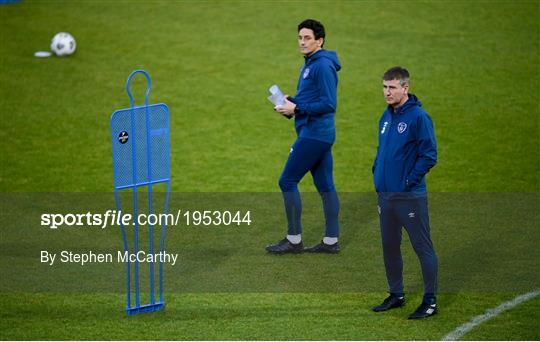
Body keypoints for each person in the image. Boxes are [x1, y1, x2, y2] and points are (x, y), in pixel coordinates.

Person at [265, 19, 341, 254]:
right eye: (300, 37)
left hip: (315, 134)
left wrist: (296, 108)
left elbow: (329, 103)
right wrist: (292, 102)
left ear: (320, 40)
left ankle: (294, 240)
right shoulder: (310, 63)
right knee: (325, 185)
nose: (302, 42)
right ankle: (330, 242)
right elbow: (313, 98)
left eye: (307, 38)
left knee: (287, 181)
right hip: (317, 132)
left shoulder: (321, 66)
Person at [371, 67, 439, 319]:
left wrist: (407, 182)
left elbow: (429, 155)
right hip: (386, 197)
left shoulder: (419, 117)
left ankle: (430, 301)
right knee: (389, 246)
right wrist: (377, 173)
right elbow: (383, 151)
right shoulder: (385, 117)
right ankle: (396, 294)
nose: (387, 92)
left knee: (422, 247)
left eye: (392, 87)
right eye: (384, 87)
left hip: (409, 197)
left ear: (405, 88)